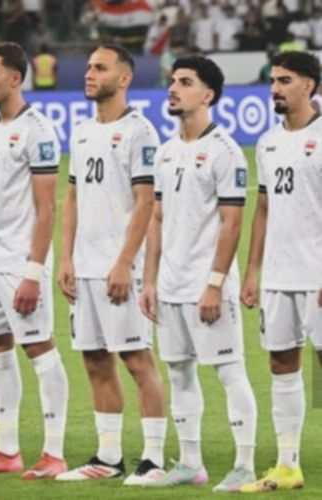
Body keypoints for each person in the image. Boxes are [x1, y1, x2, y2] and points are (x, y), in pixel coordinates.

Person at [140, 55, 258, 492]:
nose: (173, 88)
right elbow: (156, 218)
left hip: (208, 287)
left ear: (207, 95)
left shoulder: (225, 152)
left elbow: (232, 223)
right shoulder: (166, 151)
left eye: (185, 82)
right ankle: (191, 463)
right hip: (170, 286)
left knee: (229, 371)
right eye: (172, 80)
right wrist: (149, 280)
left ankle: (244, 465)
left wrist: (214, 283)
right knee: (178, 372)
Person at [55, 44, 167, 486]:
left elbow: (146, 204)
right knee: (95, 360)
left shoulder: (140, 132)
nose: (89, 73)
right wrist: (65, 257)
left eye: (99, 68)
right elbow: (72, 198)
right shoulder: (82, 132)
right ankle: (108, 456)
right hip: (85, 267)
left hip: (122, 268)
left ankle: (154, 459)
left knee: (137, 361)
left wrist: (124, 262)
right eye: (88, 67)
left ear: (123, 78)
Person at [0, 42, 68, 480]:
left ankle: (54, 453)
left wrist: (33, 273)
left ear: (16, 78)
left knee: (39, 349)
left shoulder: (38, 131)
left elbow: (47, 209)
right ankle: (7, 451)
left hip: (20, 263)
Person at [240, 50, 322, 493]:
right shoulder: (268, 142)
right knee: (281, 364)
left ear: (309, 85)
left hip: (317, 275)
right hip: (278, 276)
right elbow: (264, 209)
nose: (274, 89)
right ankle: (288, 465)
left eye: (284, 81)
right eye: (273, 81)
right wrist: (252, 270)